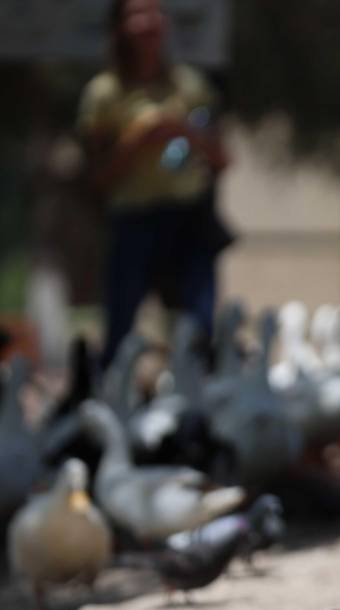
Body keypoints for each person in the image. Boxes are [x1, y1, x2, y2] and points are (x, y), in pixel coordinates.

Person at [78, 0, 231, 367]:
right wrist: (135, 141)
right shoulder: (104, 94)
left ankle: (196, 413)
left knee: (199, 326)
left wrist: (184, 133)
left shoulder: (190, 85)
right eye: (137, 13)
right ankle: (109, 405)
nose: (148, 21)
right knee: (121, 327)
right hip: (134, 220)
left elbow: (222, 160)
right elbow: (96, 179)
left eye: (155, 11)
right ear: (119, 27)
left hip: (188, 218)